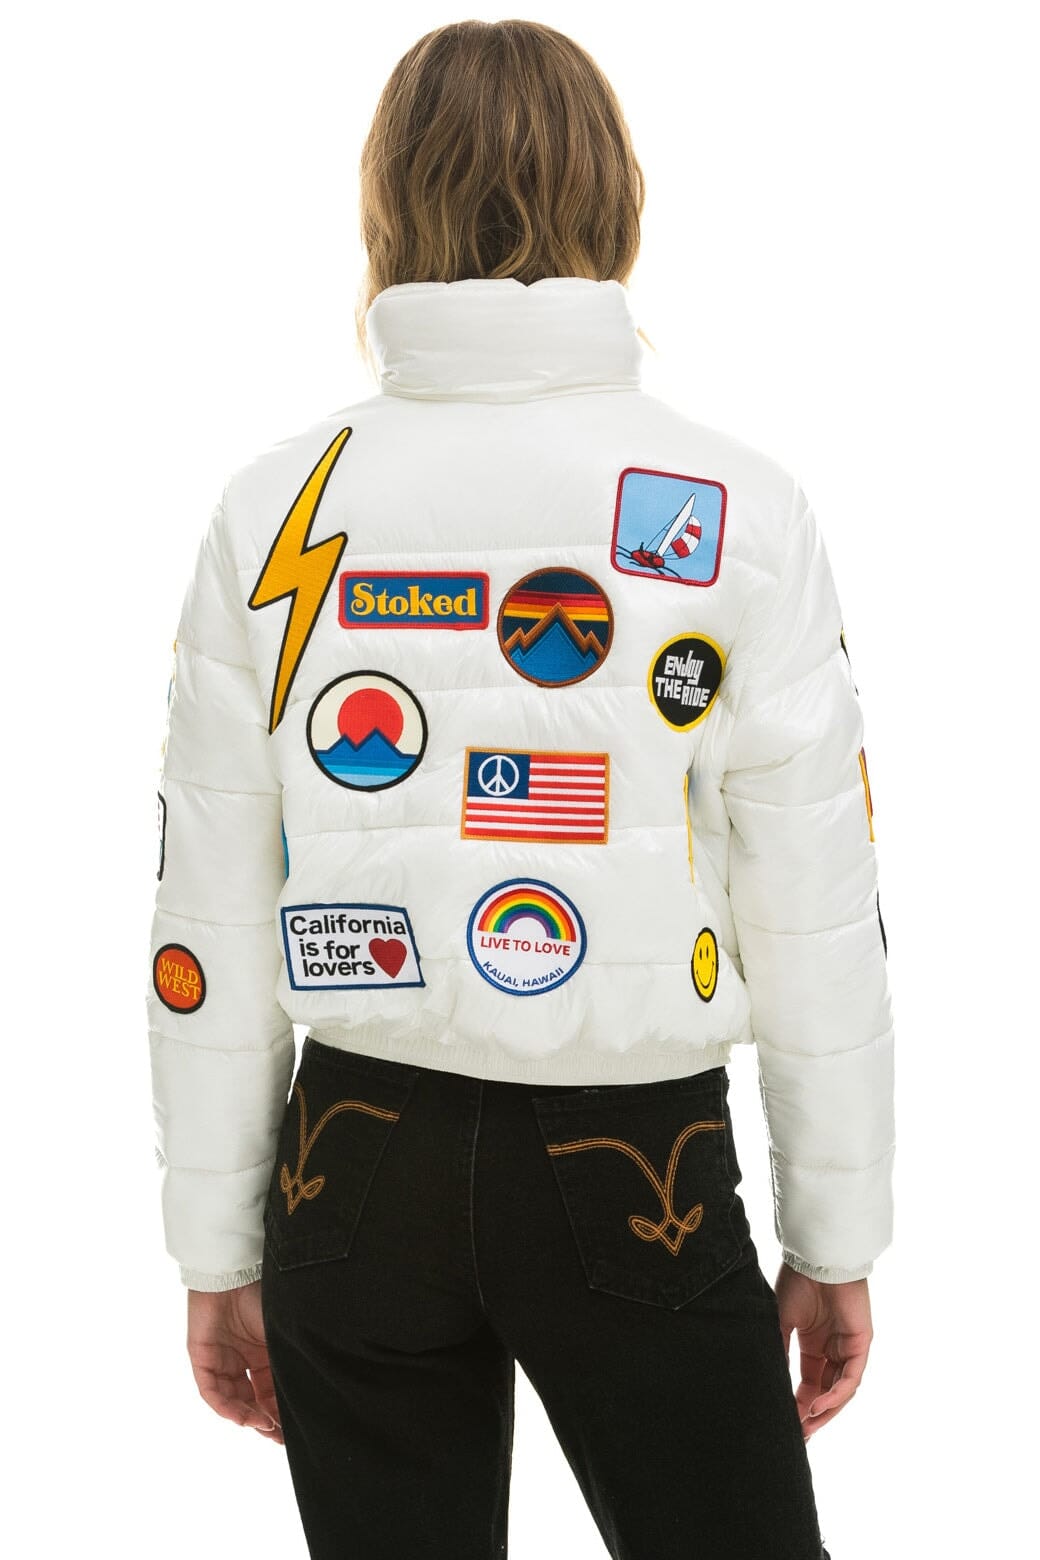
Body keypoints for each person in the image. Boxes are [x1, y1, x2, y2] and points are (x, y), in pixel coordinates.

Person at [147, 18, 894, 1560]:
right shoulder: (740, 506)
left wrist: (216, 1247)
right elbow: (814, 907)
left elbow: (206, 904)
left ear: (387, 202)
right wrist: (837, 1231)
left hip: (348, 1159)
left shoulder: (271, 507)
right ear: (616, 196)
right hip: (638, 1165)